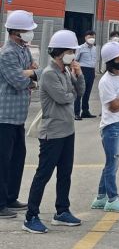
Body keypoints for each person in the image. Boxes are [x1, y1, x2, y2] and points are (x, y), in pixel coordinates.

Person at [23, 30, 85, 234]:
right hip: (52, 133)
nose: (72, 55)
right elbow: (63, 97)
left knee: (65, 174)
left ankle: (62, 211)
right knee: (43, 174)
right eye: (70, 51)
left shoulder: (66, 71)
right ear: (60, 53)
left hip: (67, 130)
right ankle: (31, 216)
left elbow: (80, 92)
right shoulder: (49, 73)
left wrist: (79, 75)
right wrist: (72, 93)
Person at [0, 10, 39, 220]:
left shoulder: (23, 50)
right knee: (3, 160)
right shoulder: (7, 53)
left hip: (18, 116)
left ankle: (10, 196)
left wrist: (30, 73)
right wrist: (33, 76)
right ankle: (0, 202)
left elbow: (31, 70)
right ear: (15, 32)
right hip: (4, 116)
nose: (29, 34)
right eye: (26, 30)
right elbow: (19, 81)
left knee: (17, 158)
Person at [91, 41, 119, 213]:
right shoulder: (105, 81)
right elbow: (113, 106)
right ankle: (112, 199)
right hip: (111, 126)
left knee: (112, 162)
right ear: (111, 60)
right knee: (112, 163)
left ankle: (100, 197)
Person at [74, 30, 97, 120]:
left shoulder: (95, 49)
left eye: (93, 37)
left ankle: (85, 111)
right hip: (82, 70)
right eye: (89, 37)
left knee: (87, 93)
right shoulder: (80, 48)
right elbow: (75, 60)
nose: (91, 39)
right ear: (85, 38)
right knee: (79, 92)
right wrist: (76, 72)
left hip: (91, 71)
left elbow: (94, 61)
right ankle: (76, 113)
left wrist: (94, 72)